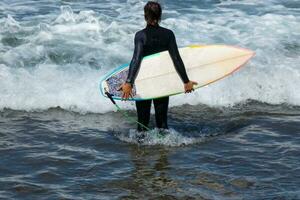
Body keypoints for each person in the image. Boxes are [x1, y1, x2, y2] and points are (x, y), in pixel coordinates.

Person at [119, 1, 197, 132]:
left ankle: (140, 150)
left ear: (145, 16)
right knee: (162, 123)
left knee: (142, 122)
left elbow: (136, 59)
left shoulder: (140, 35)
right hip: (161, 81)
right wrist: (186, 81)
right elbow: (176, 58)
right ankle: (164, 150)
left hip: (144, 80)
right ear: (160, 16)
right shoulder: (168, 34)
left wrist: (129, 82)